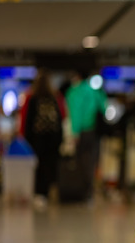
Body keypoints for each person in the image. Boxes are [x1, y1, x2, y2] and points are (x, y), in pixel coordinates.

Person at [19, 69, 66, 207]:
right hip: (53, 140)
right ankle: (49, 192)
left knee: (37, 166)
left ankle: (39, 193)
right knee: (50, 166)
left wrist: (25, 139)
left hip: (37, 140)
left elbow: (27, 120)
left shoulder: (32, 98)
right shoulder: (54, 99)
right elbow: (61, 119)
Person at [64, 71, 107, 200]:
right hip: (93, 131)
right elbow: (104, 108)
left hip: (81, 132)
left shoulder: (73, 92)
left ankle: (80, 190)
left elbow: (74, 114)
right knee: (92, 161)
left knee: (80, 161)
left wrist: (75, 132)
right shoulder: (94, 91)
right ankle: (89, 191)